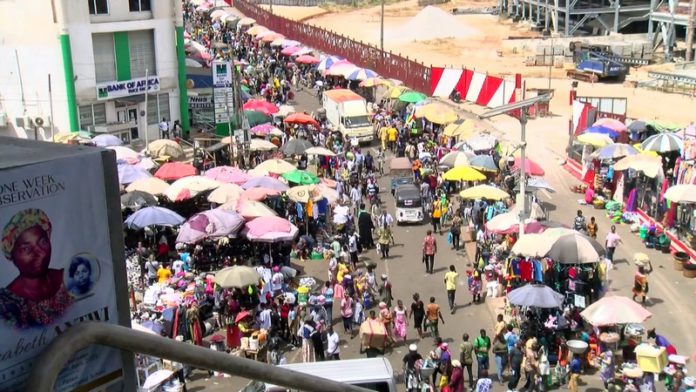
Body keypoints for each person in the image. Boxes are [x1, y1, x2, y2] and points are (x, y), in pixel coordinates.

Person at [0, 208, 73, 328]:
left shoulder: (70, 278)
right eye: (26, 249)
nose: (41, 253)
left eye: (43, 242)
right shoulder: (5, 305)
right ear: (11, 255)